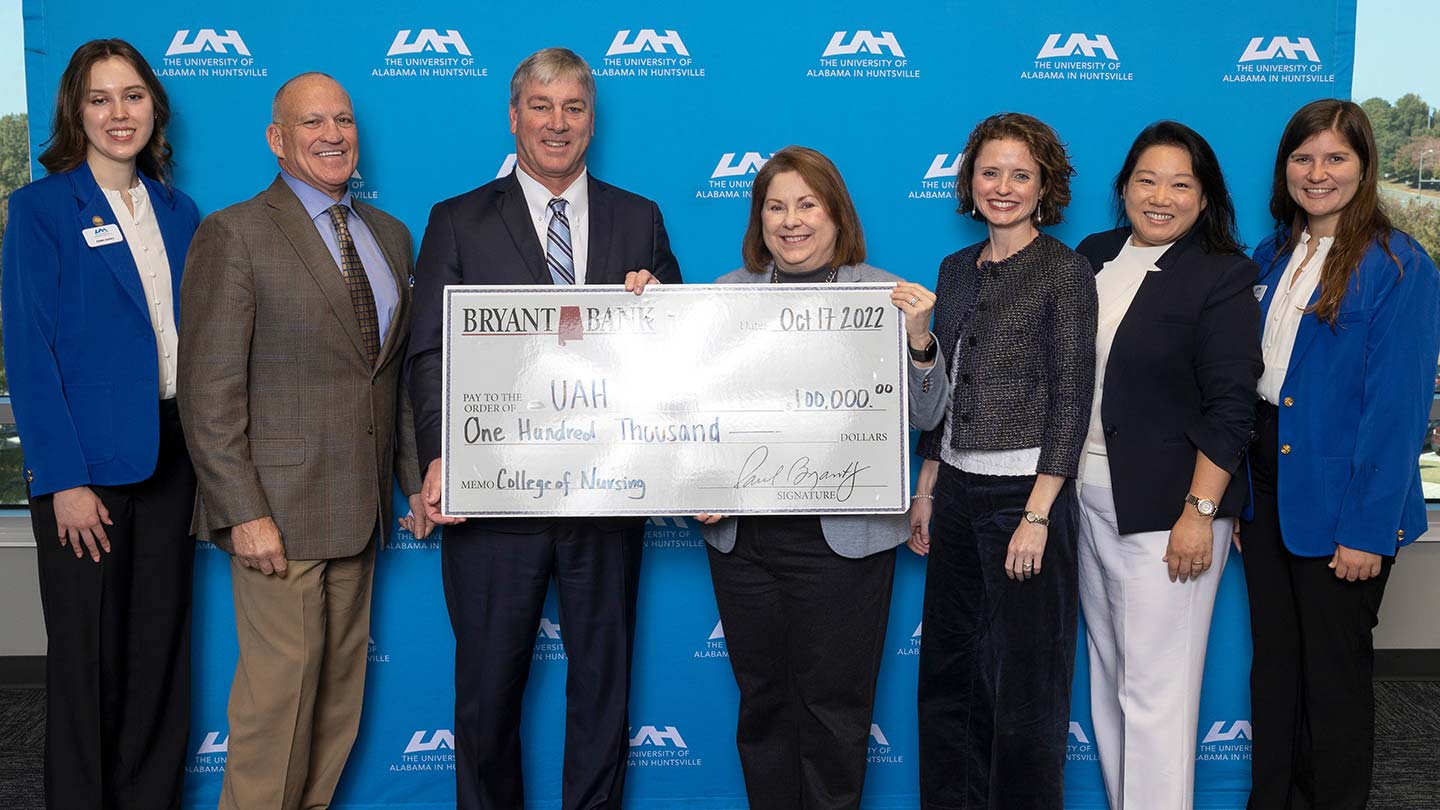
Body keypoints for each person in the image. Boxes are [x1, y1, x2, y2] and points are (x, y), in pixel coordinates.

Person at [405, 47, 681, 810]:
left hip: (606, 496)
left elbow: (680, 352)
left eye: (574, 108)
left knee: (603, 690)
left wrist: (658, 305)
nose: (557, 124)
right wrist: (438, 459)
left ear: (593, 120)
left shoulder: (640, 217)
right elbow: (429, 355)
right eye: (541, 106)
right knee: (487, 694)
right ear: (514, 115)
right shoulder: (457, 220)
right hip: (495, 503)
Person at [177, 72, 428, 810]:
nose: (333, 134)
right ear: (276, 138)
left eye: (343, 119)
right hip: (275, 515)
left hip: (359, 512)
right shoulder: (234, 233)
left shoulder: (389, 235)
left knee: (334, 705)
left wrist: (415, 483)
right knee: (275, 706)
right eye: (311, 121)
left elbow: (391, 380)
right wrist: (240, 510)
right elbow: (208, 392)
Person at [692, 145, 946, 810]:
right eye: (775, 206)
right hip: (744, 545)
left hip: (846, 542)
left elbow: (928, 415)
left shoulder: (888, 295)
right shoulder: (723, 297)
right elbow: (694, 419)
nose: (791, 220)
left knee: (836, 711)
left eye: (807, 204)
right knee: (764, 705)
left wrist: (920, 340)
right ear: (759, 219)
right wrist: (698, 485)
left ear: (836, 214)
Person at [0, 38, 200, 810]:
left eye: (133, 96)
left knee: (159, 655)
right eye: (100, 98)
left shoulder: (182, 212)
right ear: (75, 113)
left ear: (155, 105)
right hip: (87, 469)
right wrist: (64, 481)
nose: (120, 114)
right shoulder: (43, 208)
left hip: (175, 456)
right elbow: (29, 349)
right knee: (87, 660)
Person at [1242, 98, 1440, 810]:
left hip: (1345, 499)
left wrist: (1364, 530)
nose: (1316, 173)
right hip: (1267, 491)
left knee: (1332, 681)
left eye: (1335, 158)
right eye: (1303, 158)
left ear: (1364, 167)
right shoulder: (1270, 254)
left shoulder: (1398, 265)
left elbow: (1397, 412)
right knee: (1276, 674)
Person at [906, 112, 1096, 809]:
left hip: (1026, 497)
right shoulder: (955, 270)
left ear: (1045, 184)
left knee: (1026, 690)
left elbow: (1071, 399)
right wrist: (926, 490)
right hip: (954, 490)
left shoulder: (1065, 271)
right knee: (949, 679)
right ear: (970, 180)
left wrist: (1038, 515)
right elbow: (944, 390)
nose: (1004, 186)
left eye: (1021, 173)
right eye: (991, 171)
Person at [1072, 122, 1262, 810]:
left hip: (1169, 511)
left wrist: (1200, 513)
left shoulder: (1222, 274)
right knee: (1111, 680)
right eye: (1147, 180)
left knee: (1157, 693)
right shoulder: (1093, 254)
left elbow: (1232, 405)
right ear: (1123, 189)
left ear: (1204, 199)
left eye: (1182, 184)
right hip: (1085, 499)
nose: (1161, 197)